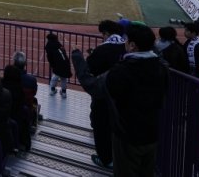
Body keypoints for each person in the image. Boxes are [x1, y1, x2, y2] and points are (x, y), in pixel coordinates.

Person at [72, 24, 169, 177]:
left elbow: (93, 87)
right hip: (152, 133)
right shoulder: (161, 68)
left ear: (132, 46)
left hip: (127, 137)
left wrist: (77, 58)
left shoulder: (121, 71)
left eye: (127, 41)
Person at [84, 20, 126, 169]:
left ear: (107, 33)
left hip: (104, 95)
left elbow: (90, 68)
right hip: (123, 96)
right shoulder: (127, 45)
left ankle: (105, 159)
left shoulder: (103, 49)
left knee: (101, 125)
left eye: (102, 34)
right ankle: (117, 156)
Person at [45, 33, 72, 99]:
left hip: (58, 63)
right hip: (66, 62)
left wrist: (53, 65)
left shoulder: (49, 46)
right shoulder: (59, 45)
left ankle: (53, 90)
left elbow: (50, 58)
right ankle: (63, 92)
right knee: (63, 77)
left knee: (55, 76)